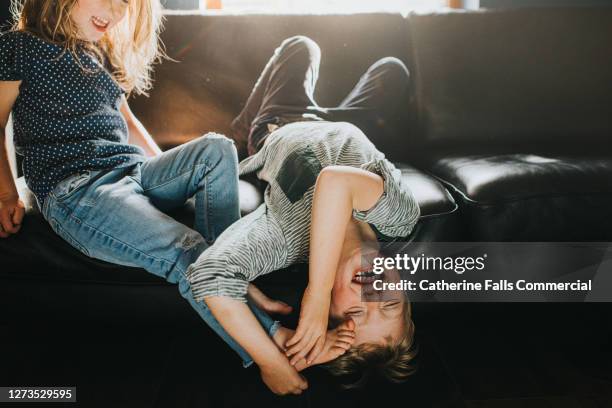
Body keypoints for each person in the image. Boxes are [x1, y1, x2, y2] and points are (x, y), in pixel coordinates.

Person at [0, 0, 357, 390]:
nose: (117, 12)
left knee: (216, 148)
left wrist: (171, 173)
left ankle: (230, 270)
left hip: (132, 172)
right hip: (80, 189)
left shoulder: (96, 53)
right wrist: (5, 194)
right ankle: (269, 344)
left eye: (125, 5)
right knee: (187, 249)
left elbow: (130, 123)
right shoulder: (21, 47)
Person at [186, 35, 421, 394]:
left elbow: (208, 274)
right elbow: (338, 181)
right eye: (388, 303)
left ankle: (242, 130)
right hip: (350, 128)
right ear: (403, 291)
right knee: (394, 69)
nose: (372, 295)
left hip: (283, 124)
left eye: (355, 314)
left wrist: (272, 361)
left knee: (301, 45)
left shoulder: (284, 237)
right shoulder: (398, 217)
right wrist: (319, 293)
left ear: (324, 317)